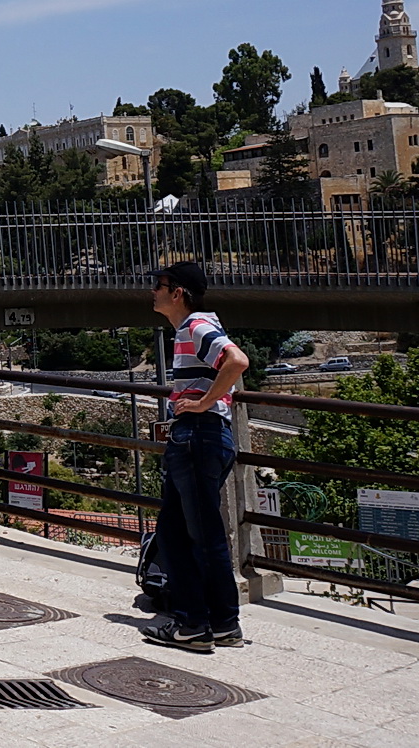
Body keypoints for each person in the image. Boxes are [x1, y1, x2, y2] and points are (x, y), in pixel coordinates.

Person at [142, 260, 250, 653]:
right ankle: (215, 623)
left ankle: (201, 624)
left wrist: (203, 403)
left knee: (200, 536)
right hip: (199, 438)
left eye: (160, 284)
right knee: (175, 532)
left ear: (178, 293)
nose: (153, 290)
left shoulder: (195, 326)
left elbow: (237, 361)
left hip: (198, 437)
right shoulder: (192, 327)